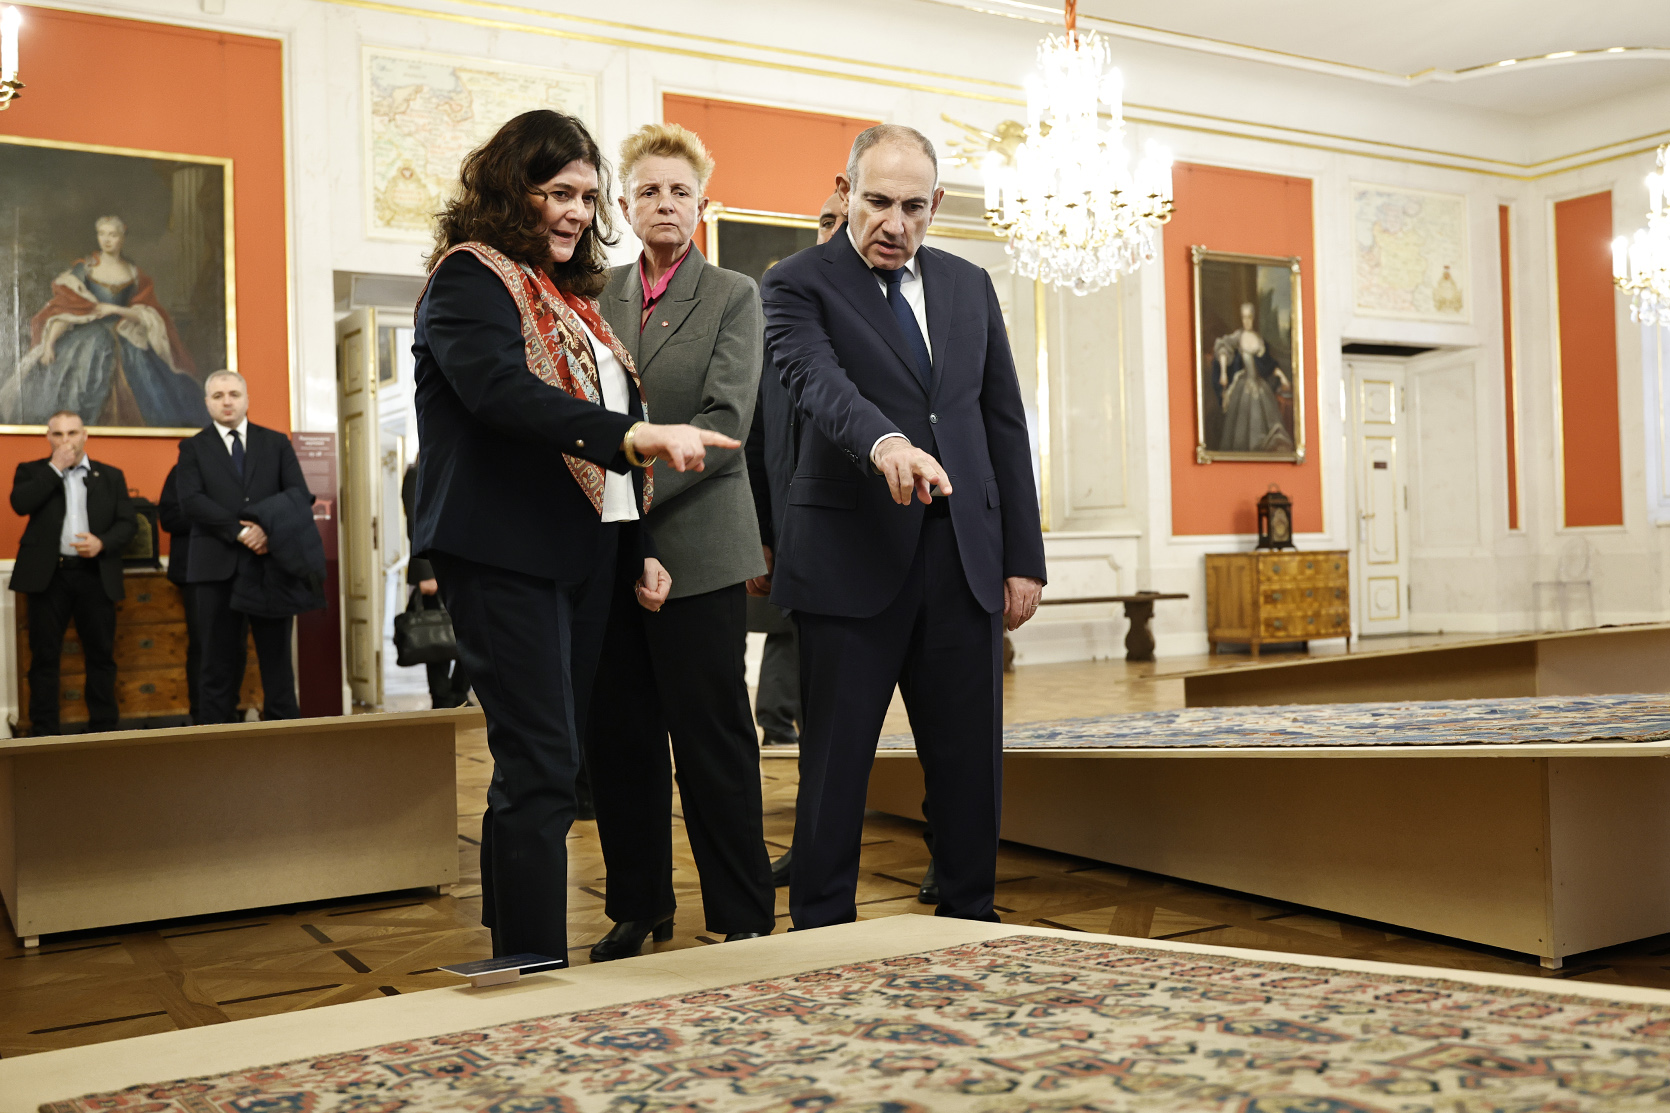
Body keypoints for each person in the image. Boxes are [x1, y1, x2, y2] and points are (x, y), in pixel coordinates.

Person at [412, 109, 736, 962]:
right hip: (503, 552)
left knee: (547, 762)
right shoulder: (468, 277)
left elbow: (599, 448)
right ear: (509, 187)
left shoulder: (567, 297)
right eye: (558, 192)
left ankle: (513, 948)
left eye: (588, 197)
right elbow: (500, 393)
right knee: (545, 762)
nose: (575, 213)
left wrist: (639, 549)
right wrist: (635, 435)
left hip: (583, 555)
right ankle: (530, 967)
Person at [761, 125, 1046, 929]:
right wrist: (885, 442)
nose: (895, 223)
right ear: (845, 191)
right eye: (878, 202)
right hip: (849, 558)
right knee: (835, 764)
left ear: (937, 204)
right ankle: (821, 928)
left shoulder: (968, 283)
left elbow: (1002, 422)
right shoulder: (795, 282)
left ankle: (970, 913)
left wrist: (1022, 556)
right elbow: (816, 380)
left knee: (968, 761)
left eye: (914, 207)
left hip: (963, 557)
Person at [585, 123, 773, 961]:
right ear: (625, 206)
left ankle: (741, 906)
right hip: (612, 553)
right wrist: (626, 527)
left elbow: (724, 424)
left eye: (680, 191)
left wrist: (636, 493)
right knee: (621, 738)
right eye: (649, 191)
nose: (665, 203)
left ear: (703, 205)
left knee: (712, 737)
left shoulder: (733, 294)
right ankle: (638, 905)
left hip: (699, 545)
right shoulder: (594, 294)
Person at [745, 193, 848, 750]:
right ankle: (782, 726)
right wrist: (761, 534)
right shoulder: (776, 337)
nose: (833, 232)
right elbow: (757, 443)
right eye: (825, 221)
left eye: (845, 222)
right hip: (792, 533)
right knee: (791, 637)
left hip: (857, 539)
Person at [174, 370, 310, 723]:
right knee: (216, 665)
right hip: (215, 570)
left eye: (234, 394)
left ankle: (288, 742)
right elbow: (191, 501)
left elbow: (298, 495)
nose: (227, 402)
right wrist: (239, 531)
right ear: (207, 403)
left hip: (270, 567)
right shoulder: (193, 448)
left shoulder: (276, 443)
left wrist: (266, 529)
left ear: (247, 399)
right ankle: (215, 744)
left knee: (278, 666)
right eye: (218, 396)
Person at [6, 216, 209, 428]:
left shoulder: (133, 273)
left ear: (122, 237)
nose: (107, 239)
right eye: (102, 234)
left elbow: (145, 313)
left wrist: (115, 309)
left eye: (112, 235)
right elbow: (67, 310)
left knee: (152, 389)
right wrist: (49, 345)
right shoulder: (85, 269)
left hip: (127, 339)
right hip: (86, 342)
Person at [8, 411, 136, 734]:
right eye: (58, 434)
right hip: (50, 577)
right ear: (48, 438)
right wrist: (55, 468)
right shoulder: (31, 471)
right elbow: (20, 504)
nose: (66, 440)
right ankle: (44, 732)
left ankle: (103, 729)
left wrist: (102, 542)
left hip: (95, 575)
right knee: (44, 657)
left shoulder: (110, 476)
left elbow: (128, 524)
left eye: (72, 433)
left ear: (85, 435)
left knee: (101, 655)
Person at [400, 460, 469, 709]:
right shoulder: (417, 472)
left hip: (464, 568)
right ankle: (442, 699)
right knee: (436, 633)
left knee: (470, 634)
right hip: (434, 568)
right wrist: (426, 572)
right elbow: (416, 523)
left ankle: (460, 694)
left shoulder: (460, 467)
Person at [157, 463, 209, 723]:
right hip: (195, 571)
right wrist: (213, 517)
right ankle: (201, 715)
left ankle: (230, 711)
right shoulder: (183, 470)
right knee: (201, 643)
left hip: (237, 570)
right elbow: (168, 517)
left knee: (236, 646)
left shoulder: (239, 467)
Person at [1213, 301, 1293, 454]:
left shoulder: (1259, 339)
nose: (1247, 321)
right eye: (1244, 317)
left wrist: (1282, 377)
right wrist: (1223, 372)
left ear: (1253, 318)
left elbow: (1268, 364)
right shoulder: (1238, 336)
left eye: (1249, 317)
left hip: (1260, 385)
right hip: (1243, 386)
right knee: (1242, 424)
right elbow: (1223, 347)